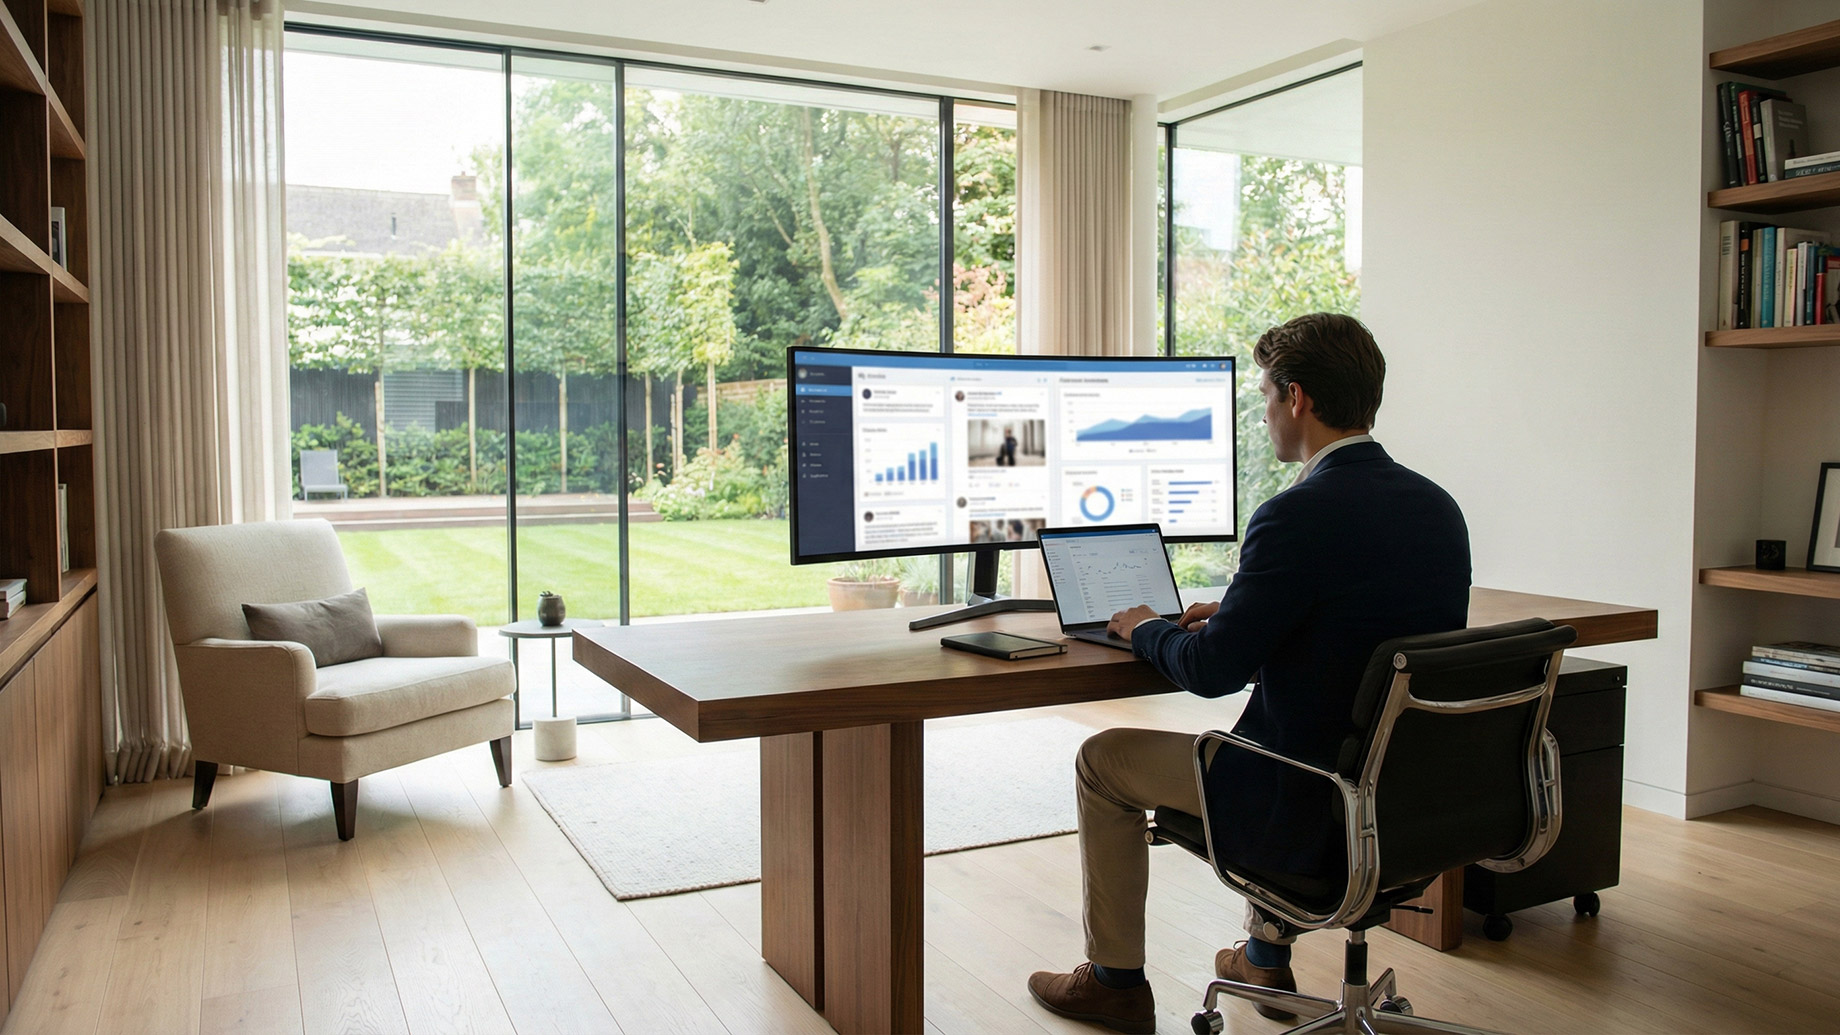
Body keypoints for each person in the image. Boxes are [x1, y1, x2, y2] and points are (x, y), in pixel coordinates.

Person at [1026, 313, 1471, 1035]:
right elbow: (1354, 625)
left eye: (1265, 393)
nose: (1264, 411)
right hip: (1404, 796)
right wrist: (1244, 607)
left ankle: (1113, 983)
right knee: (1297, 726)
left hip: (1309, 801)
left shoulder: (1295, 515)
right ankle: (1263, 956)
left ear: (1297, 398)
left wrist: (1145, 628)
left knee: (1103, 757)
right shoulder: (1438, 507)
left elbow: (1210, 670)